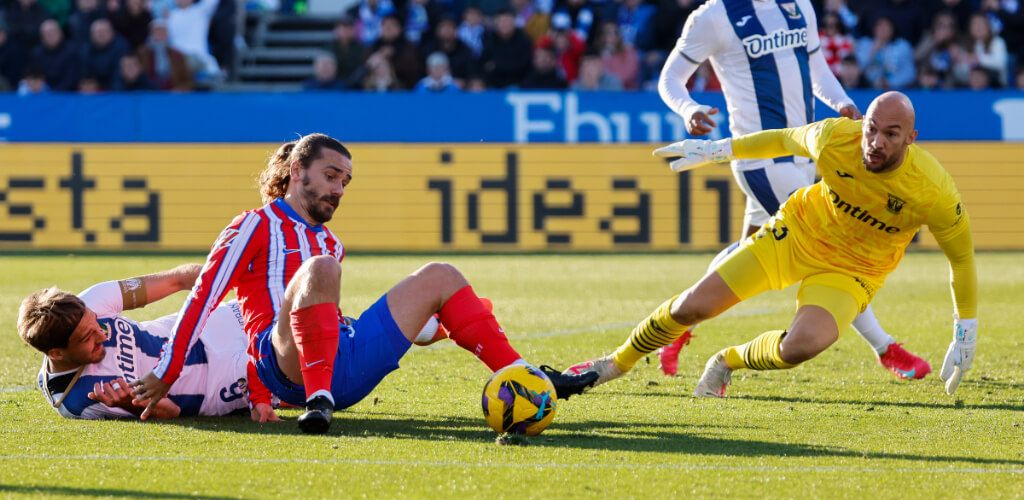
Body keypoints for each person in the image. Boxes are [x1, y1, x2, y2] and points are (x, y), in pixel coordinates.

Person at [131, 134, 597, 434]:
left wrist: (437, 324)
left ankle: (530, 380)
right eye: (331, 176)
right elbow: (206, 294)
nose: (338, 189)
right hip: (285, 367)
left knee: (442, 275)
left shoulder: (330, 241)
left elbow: (323, 322)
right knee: (319, 270)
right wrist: (169, 369)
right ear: (297, 171)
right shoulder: (253, 225)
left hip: (343, 362)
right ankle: (317, 402)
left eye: (345, 182)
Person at [565, 92, 977, 400]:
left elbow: (960, 259)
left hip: (853, 272)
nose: (875, 142)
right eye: (871, 128)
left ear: (911, 139)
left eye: (891, 134)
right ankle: (613, 365)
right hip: (795, 235)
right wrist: (715, 150)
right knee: (691, 307)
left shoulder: (933, 190)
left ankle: (726, 360)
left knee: (800, 347)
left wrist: (965, 329)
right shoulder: (836, 137)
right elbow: (783, 139)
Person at [654, 0, 930, 381]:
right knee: (826, 246)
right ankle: (885, 348)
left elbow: (816, 68)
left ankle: (677, 327)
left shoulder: (799, 6)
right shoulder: (714, 16)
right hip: (761, 159)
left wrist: (843, 103)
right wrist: (687, 109)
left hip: (803, 152)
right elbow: (669, 78)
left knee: (745, 249)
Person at [17, 265, 251, 420]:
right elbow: (173, 412)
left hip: (216, 322)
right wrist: (132, 404)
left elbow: (176, 280)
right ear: (56, 353)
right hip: (219, 382)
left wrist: (245, 280)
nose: (102, 335)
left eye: (96, 324)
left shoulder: (91, 301)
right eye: (88, 338)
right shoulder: (81, 400)